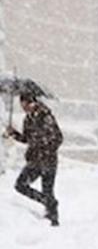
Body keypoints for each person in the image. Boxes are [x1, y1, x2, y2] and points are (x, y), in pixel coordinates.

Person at [3, 93, 63, 226]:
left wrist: (45, 146)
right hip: (34, 161)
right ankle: (49, 202)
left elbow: (58, 138)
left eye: (25, 104)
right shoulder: (28, 119)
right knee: (20, 185)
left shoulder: (46, 117)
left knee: (47, 190)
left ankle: (53, 220)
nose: (24, 108)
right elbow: (27, 139)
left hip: (48, 161)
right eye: (22, 105)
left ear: (32, 102)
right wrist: (13, 133)